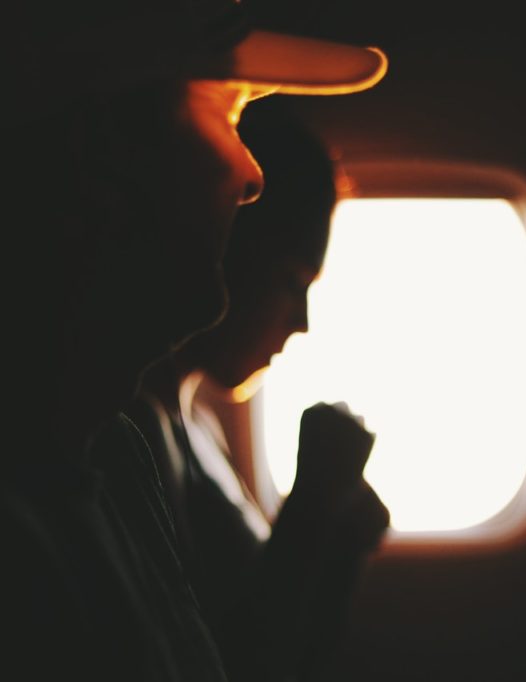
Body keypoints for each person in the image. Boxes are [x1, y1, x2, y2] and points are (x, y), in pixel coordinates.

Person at [1, 1, 388, 679]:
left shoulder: (115, 457)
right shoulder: (35, 533)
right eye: (223, 115)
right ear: (102, 152)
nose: (251, 176)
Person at [127, 97, 391, 682]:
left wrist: (339, 545)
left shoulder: (199, 426)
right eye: (292, 280)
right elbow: (229, 664)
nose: (301, 322)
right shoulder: (137, 434)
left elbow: (282, 649)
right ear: (233, 250)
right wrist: (311, 507)